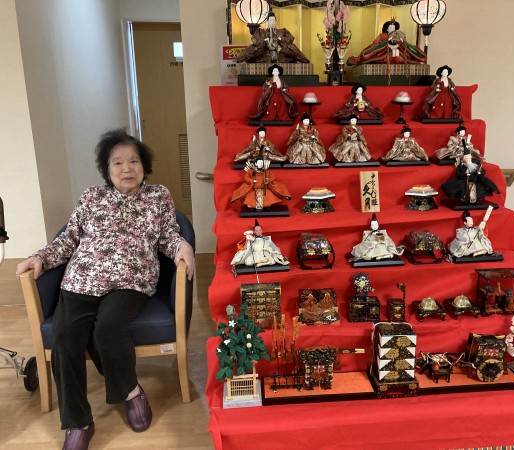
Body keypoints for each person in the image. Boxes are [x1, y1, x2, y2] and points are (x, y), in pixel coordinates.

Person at [15, 129, 195, 450]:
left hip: (131, 280)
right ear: (106, 168)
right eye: (118, 163)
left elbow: (169, 234)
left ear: (144, 165)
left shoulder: (158, 196)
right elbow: (68, 239)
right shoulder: (91, 197)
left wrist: (182, 247)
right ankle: (78, 422)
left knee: (108, 326)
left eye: (134, 161)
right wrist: (40, 257)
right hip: (81, 281)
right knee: (65, 336)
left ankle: (130, 391)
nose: (127, 169)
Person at [236, 11, 310, 64]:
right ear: (267, 21)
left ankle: (304, 60)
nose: (272, 22)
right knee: (253, 48)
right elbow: (255, 40)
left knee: (291, 46)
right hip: (265, 55)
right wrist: (264, 41)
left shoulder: (282, 31)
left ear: (275, 21)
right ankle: (240, 58)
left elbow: (290, 39)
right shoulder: (260, 31)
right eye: (270, 20)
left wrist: (281, 40)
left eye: (274, 20)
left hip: (280, 54)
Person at [347, 19, 426, 67]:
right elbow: (375, 43)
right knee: (385, 56)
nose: (392, 29)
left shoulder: (398, 35)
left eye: (394, 28)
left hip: (398, 50)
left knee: (400, 54)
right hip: (384, 51)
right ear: (387, 29)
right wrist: (385, 43)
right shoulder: (383, 35)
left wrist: (401, 42)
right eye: (390, 28)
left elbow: (404, 44)